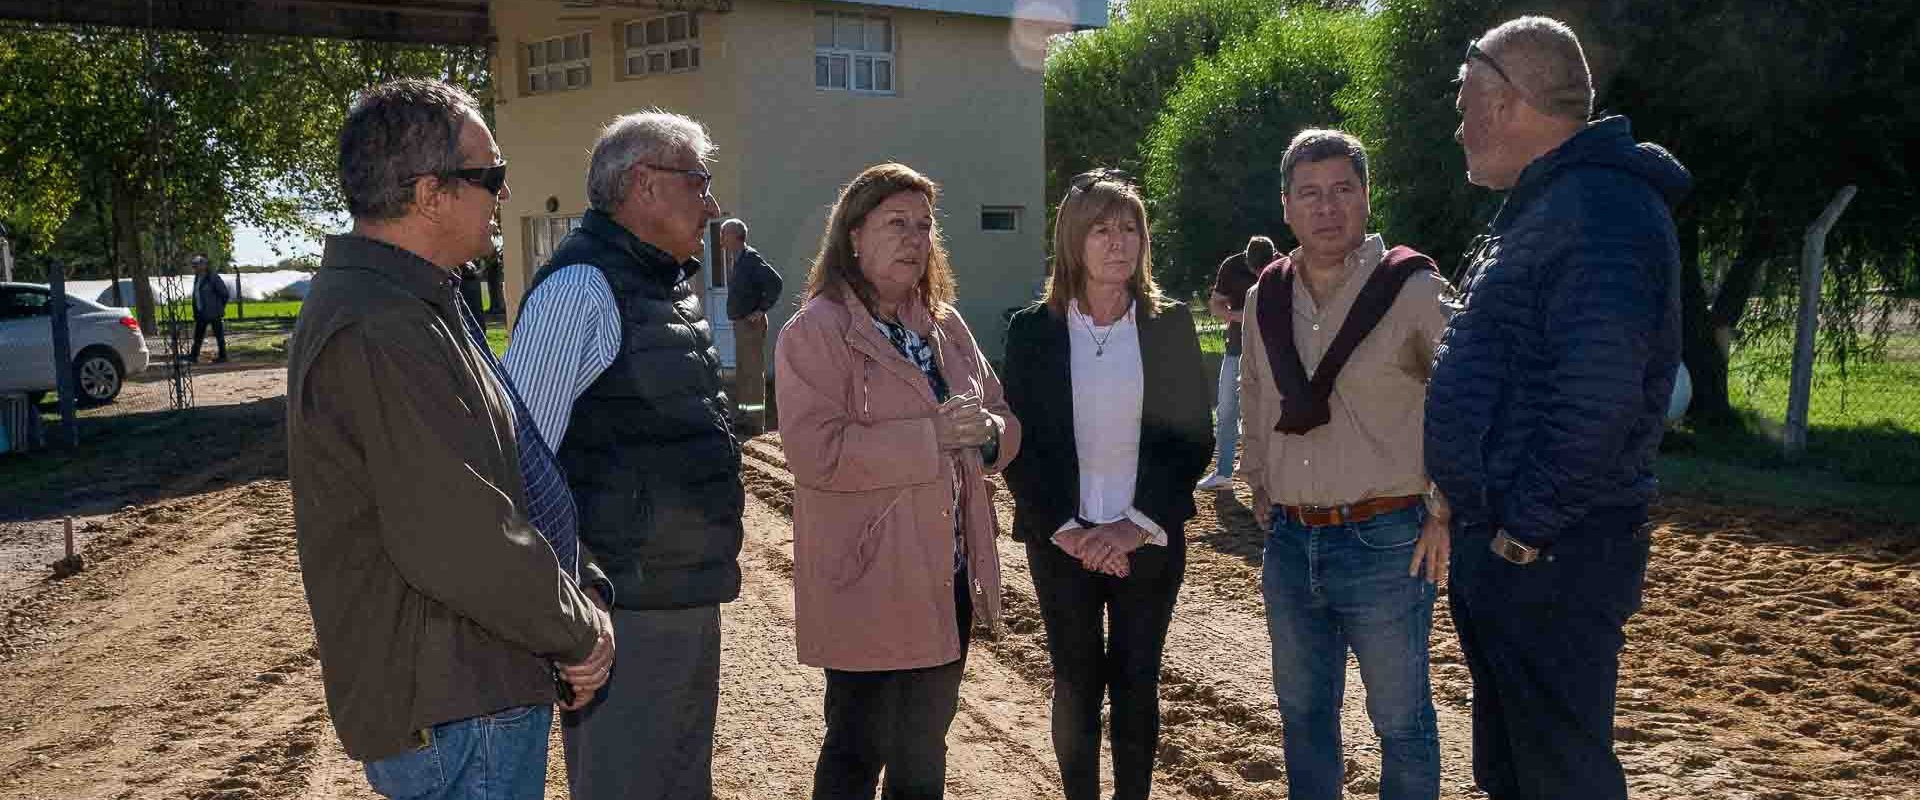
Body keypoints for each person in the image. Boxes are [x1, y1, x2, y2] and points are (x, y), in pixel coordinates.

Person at [286, 78, 613, 800]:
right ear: (431, 194)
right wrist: (576, 628)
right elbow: (458, 532)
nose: (502, 193)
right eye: (490, 176)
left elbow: (510, 471)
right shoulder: (383, 325)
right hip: (459, 704)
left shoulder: (418, 303)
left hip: (470, 690)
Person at [1428, 17, 1689, 800]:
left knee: (1560, 778)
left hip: (1549, 559)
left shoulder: (1600, 212)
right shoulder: (1553, 205)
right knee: (1516, 772)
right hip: (1516, 551)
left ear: (1508, 103)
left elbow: (1597, 403)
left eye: (1466, 100)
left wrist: (1521, 536)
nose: (1458, 121)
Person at [500, 109, 741, 800]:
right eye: (698, 181)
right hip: (622, 608)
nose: (711, 202)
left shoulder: (663, 286)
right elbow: (520, 458)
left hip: (681, 592)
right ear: (643, 185)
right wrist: (573, 605)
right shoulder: (581, 289)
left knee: (678, 783)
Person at [774, 162, 1021, 800]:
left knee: (923, 752)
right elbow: (812, 452)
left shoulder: (947, 326)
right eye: (896, 224)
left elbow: (1001, 417)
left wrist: (988, 434)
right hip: (867, 578)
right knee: (858, 749)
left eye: (923, 226)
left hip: (946, 574)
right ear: (853, 235)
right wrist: (930, 436)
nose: (915, 239)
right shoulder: (817, 332)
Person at [1239, 129, 1454, 800]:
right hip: (1291, 541)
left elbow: (1466, 397)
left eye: (1342, 190)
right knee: (1303, 718)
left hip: (1387, 540)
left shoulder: (1412, 288)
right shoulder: (1263, 298)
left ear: (1365, 196)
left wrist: (1445, 507)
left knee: (1400, 720)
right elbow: (1253, 393)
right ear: (1286, 206)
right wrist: (1261, 485)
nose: (1326, 207)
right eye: (1309, 193)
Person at [1001, 169, 1212, 800]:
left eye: (1129, 228)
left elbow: (1192, 439)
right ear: (1072, 240)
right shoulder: (1033, 331)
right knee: (1075, 682)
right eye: (1101, 228)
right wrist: (1070, 529)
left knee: (1137, 681)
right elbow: (1021, 445)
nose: (1118, 242)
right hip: (1062, 541)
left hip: (1145, 539)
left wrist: (1131, 525)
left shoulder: (1168, 327)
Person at [1196, 235, 1274, 491]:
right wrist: (1238, 315)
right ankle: (1224, 472)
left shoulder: (1283, 266)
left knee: (1268, 413)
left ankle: (1268, 474)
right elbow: (1216, 305)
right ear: (1247, 260)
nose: (1259, 274)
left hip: (1271, 352)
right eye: (1254, 270)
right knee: (1227, 408)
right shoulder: (1231, 266)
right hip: (1236, 348)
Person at [721, 217, 783, 429]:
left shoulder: (750, 258)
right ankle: (743, 418)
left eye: (723, 234)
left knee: (753, 374)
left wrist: (760, 310)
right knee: (743, 372)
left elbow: (775, 283)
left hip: (751, 326)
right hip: (741, 325)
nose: (721, 239)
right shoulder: (737, 259)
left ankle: (755, 424)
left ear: (735, 236)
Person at [186, 254, 230, 363]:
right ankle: (193, 356)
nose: (194, 268)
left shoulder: (213, 277)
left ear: (204, 265)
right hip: (201, 312)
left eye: (197, 265)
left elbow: (224, 294)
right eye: (194, 265)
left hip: (214, 312)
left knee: (219, 335)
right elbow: (196, 295)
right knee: (198, 336)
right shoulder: (197, 279)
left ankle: (223, 356)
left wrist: (219, 307)